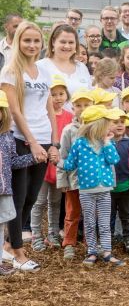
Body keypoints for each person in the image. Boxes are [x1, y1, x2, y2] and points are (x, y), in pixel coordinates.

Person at [0, 21, 59, 272]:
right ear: (18, 42)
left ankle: (7, 245)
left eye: (36, 41)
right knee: (19, 197)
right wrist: (32, 142)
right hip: (21, 139)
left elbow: (50, 109)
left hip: (44, 139)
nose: (32, 45)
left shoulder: (43, 70)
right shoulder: (10, 71)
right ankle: (18, 252)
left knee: (32, 197)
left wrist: (54, 143)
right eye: (27, 40)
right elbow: (14, 111)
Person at [60, 105, 124, 267]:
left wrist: (107, 141)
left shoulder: (106, 143)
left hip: (104, 190)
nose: (110, 127)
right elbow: (70, 164)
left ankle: (107, 252)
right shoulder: (79, 144)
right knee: (89, 222)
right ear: (97, 125)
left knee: (104, 223)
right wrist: (57, 161)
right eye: (107, 124)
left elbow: (114, 160)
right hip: (86, 191)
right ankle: (92, 252)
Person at [30, 77, 72, 251]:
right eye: (53, 94)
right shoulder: (42, 116)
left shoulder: (70, 117)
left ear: (66, 95)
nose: (58, 98)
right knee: (39, 201)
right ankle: (36, 235)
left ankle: (53, 233)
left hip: (59, 167)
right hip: (43, 164)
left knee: (55, 201)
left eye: (61, 94)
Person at [0, 89, 37, 275]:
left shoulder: (8, 136)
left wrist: (33, 158)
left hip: (4, 190)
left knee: (1, 226)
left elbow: (13, 162)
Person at [56, 89, 93, 260]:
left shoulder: (97, 128)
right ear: (73, 108)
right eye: (78, 105)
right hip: (74, 180)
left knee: (90, 214)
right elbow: (62, 156)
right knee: (72, 213)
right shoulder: (69, 130)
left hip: (93, 181)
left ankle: (90, 243)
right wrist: (62, 180)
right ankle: (69, 243)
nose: (83, 108)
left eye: (86, 105)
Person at [37, 24, 93, 111]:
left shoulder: (82, 67)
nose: (67, 46)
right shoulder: (40, 66)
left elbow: (90, 96)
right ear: (53, 42)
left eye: (71, 42)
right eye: (63, 42)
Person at [108, 108, 129, 252]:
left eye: (122, 122)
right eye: (115, 122)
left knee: (126, 213)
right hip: (109, 187)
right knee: (108, 215)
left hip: (126, 185)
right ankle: (108, 239)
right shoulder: (105, 142)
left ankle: (128, 237)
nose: (119, 125)